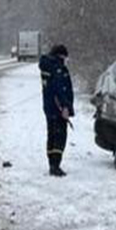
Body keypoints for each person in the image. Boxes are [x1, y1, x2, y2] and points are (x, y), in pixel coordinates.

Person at [39, 45, 74, 176]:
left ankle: (52, 164)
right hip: (58, 108)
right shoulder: (57, 68)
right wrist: (65, 107)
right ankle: (55, 166)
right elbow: (60, 89)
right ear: (61, 56)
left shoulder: (47, 66)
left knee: (52, 135)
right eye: (65, 57)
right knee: (59, 136)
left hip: (49, 107)